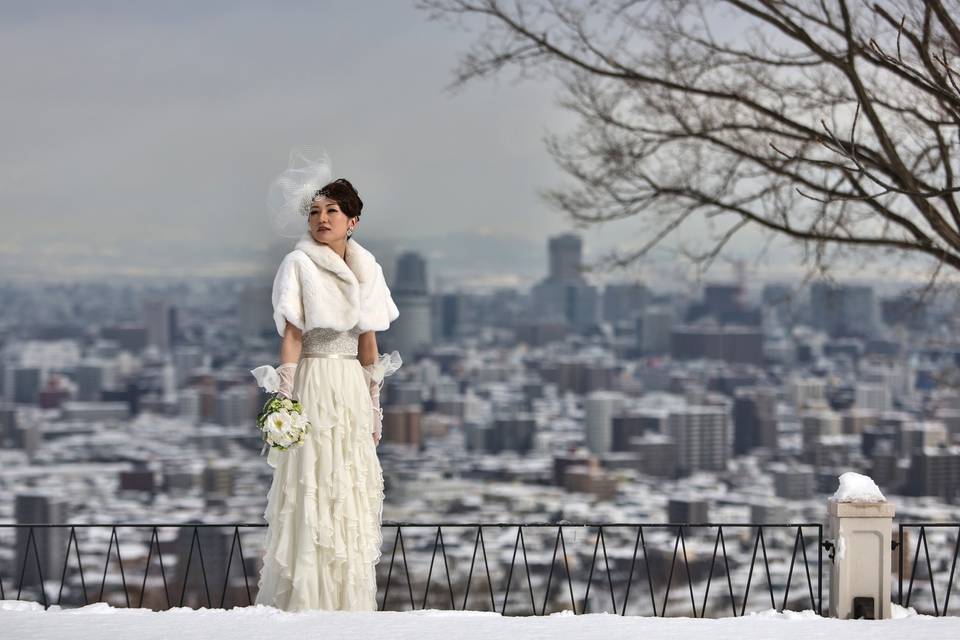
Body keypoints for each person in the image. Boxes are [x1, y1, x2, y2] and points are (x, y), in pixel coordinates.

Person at [252, 173, 401, 612]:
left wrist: (375, 405)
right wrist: (285, 396)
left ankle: (345, 603)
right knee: (312, 479)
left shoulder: (367, 267)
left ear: (352, 220)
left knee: (348, 484)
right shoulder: (297, 264)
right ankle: (306, 600)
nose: (321, 219)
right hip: (315, 379)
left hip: (352, 385)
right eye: (314, 212)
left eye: (331, 211)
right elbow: (293, 337)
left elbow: (369, 342)